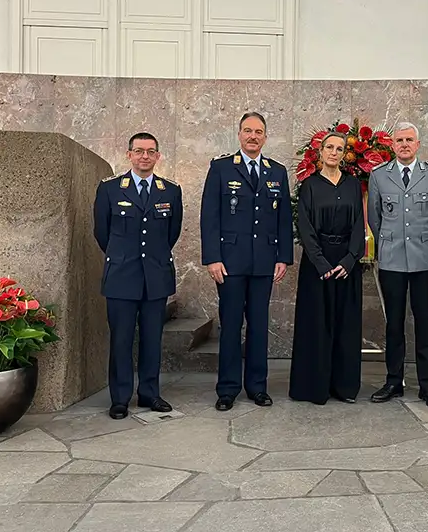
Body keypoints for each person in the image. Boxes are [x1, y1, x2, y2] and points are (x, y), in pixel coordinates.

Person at [200, 111, 294, 412]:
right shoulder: (222, 167)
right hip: (229, 262)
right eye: (248, 131)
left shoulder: (276, 172)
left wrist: (284, 258)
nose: (253, 136)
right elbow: (210, 217)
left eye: (259, 132)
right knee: (230, 326)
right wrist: (212, 258)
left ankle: (257, 386)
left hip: (264, 263)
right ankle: (227, 388)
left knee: (259, 325)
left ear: (265, 137)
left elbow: (283, 219)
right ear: (239, 134)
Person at [93, 132, 182, 420]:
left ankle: (149, 393)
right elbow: (102, 233)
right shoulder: (110, 190)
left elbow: (172, 233)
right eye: (139, 151)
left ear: (158, 156)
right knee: (121, 339)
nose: (145, 156)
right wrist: (121, 256)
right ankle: (120, 398)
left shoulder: (169, 191)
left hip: (155, 276)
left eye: (150, 151)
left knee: (152, 338)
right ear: (129, 154)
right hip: (121, 275)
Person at [367, 122, 428, 409]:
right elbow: (374, 218)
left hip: (425, 259)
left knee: (425, 323)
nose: (404, 145)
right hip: (392, 260)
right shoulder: (378, 176)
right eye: (399, 140)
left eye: (409, 140)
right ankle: (393, 381)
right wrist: (388, 243)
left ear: (418, 144)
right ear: (392, 145)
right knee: (394, 324)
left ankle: (427, 385)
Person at [289, 131, 365, 404]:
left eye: (339, 148)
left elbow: (359, 224)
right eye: (329, 147)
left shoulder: (353, 185)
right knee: (317, 326)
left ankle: (344, 387)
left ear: (345, 154)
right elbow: (305, 227)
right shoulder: (309, 185)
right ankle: (314, 388)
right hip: (317, 265)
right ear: (320, 152)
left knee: (346, 325)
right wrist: (321, 263)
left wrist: (349, 260)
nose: (334, 152)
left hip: (346, 264)